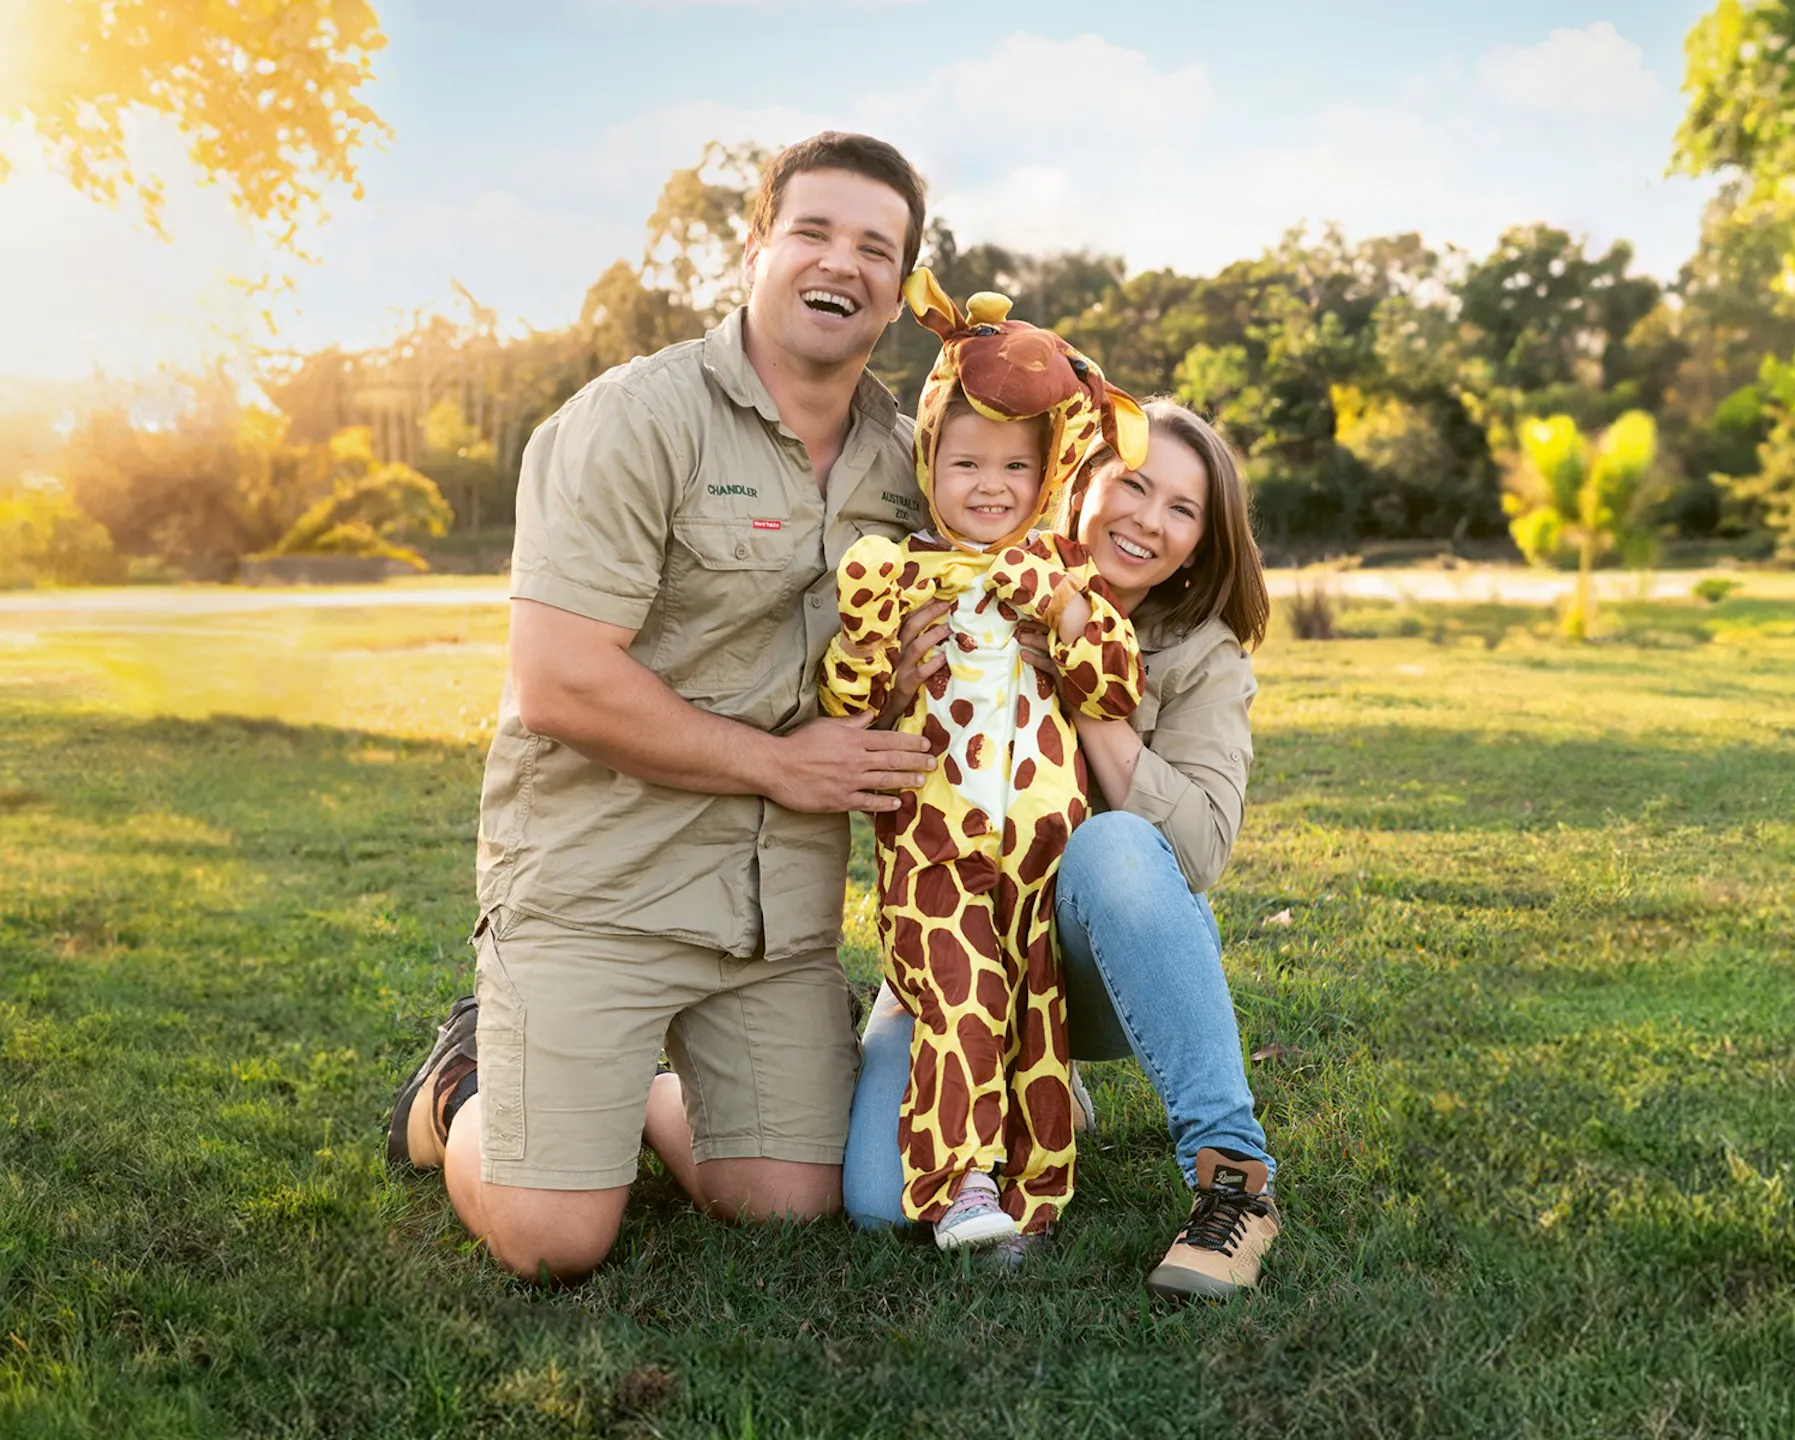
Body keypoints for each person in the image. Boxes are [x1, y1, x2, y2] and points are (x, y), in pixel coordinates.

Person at [384, 132, 938, 1282]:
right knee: (554, 1242)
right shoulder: (630, 420)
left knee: (788, 1206)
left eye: (876, 248)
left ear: (900, 289)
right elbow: (561, 681)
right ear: (757, 247)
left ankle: (615, 1088)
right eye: (815, 231)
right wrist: (786, 767)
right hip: (600, 885)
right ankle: (466, 1081)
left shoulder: (905, 461)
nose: (843, 262)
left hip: (770, 915)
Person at [843, 397, 1281, 1299]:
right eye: (1134, 485)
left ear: (1200, 543)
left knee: (1115, 847)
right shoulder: (969, 579)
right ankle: (1009, 1089)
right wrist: (890, 701)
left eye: (1183, 511)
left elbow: (1194, 851)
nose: (1148, 521)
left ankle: (1233, 1182)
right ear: (1078, 479)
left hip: (1096, 960)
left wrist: (1091, 698)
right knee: (881, 1203)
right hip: (956, 942)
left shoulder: (1203, 655)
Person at [819, 271, 1148, 1248]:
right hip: (935, 850)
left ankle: (1035, 1198)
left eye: (1014, 466)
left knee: (1032, 1014)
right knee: (968, 998)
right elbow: (845, 700)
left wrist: (1064, 610)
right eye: (967, 463)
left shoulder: (1065, 572)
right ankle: (963, 1183)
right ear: (931, 459)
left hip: (1038, 852)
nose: (992, 486)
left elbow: (1114, 686)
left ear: (1044, 475)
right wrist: (881, 653)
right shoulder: (899, 569)